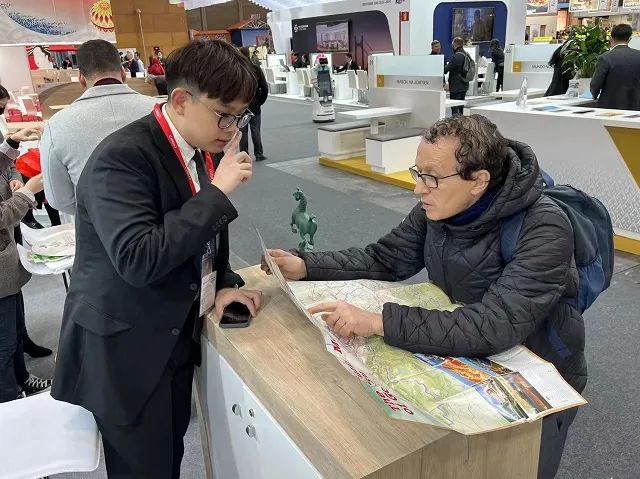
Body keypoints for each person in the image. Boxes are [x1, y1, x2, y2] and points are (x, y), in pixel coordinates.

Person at [264, 114, 586, 479]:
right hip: (469, 356)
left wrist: (379, 322)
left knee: (520, 467)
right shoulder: (439, 206)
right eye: (418, 173)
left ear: (479, 181)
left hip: (538, 373)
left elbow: (494, 325)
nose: (418, 189)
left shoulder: (545, 227)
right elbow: (386, 258)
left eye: (431, 177)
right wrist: (307, 265)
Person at [51, 39, 263, 479]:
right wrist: (218, 192)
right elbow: (138, 258)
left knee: (168, 455)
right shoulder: (121, 158)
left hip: (171, 333)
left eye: (239, 116)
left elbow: (200, 234)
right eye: (224, 114)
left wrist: (223, 282)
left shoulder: (194, 146)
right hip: (126, 350)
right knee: (143, 468)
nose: (231, 128)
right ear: (181, 100)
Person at [41, 39, 158, 216]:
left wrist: (96, 213)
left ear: (81, 78)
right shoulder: (159, 110)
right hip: (162, 221)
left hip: (96, 225)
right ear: (123, 73)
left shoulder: (56, 125)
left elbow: (59, 200)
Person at [0, 126, 53, 402]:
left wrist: (10, 143)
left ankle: (22, 379)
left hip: (7, 264)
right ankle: (10, 399)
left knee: (15, 329)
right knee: (4, 342)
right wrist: (27, 193)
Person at [590, 23, 640, 111]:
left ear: (611, 39)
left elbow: (595, 84)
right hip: (636, 106)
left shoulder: (605, 58)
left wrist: (594, 96)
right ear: (629, 39)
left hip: (610, 106)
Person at [239, 47, 269, 162]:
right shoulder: (256, 69)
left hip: (241, 105)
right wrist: (260, 101)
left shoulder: (238, 71)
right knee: (256, 130)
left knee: (242, 132)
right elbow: (264, 88)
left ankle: (244, 156)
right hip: (255, 104)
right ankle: (259, 153)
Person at [444, 37, 470, 116]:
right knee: (461, 106)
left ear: (455, 45)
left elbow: (446, 69)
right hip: (464, 84)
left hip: (456, 86)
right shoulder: (466, 54)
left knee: (454, 106)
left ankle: (455, 122)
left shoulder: (457, 56)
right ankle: (461, 121)